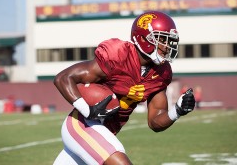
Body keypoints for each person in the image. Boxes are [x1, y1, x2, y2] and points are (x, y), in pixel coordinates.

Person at [53, 11, 196, 165]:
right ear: (144, 38)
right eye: (162, 40)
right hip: (82, 124)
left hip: (107, 132)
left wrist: (177, 111)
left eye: (169, 41)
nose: (167, 47)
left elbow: (155, 122)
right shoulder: (118, 55)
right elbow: (63, 78)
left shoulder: (161, 73)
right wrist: (87, 110)